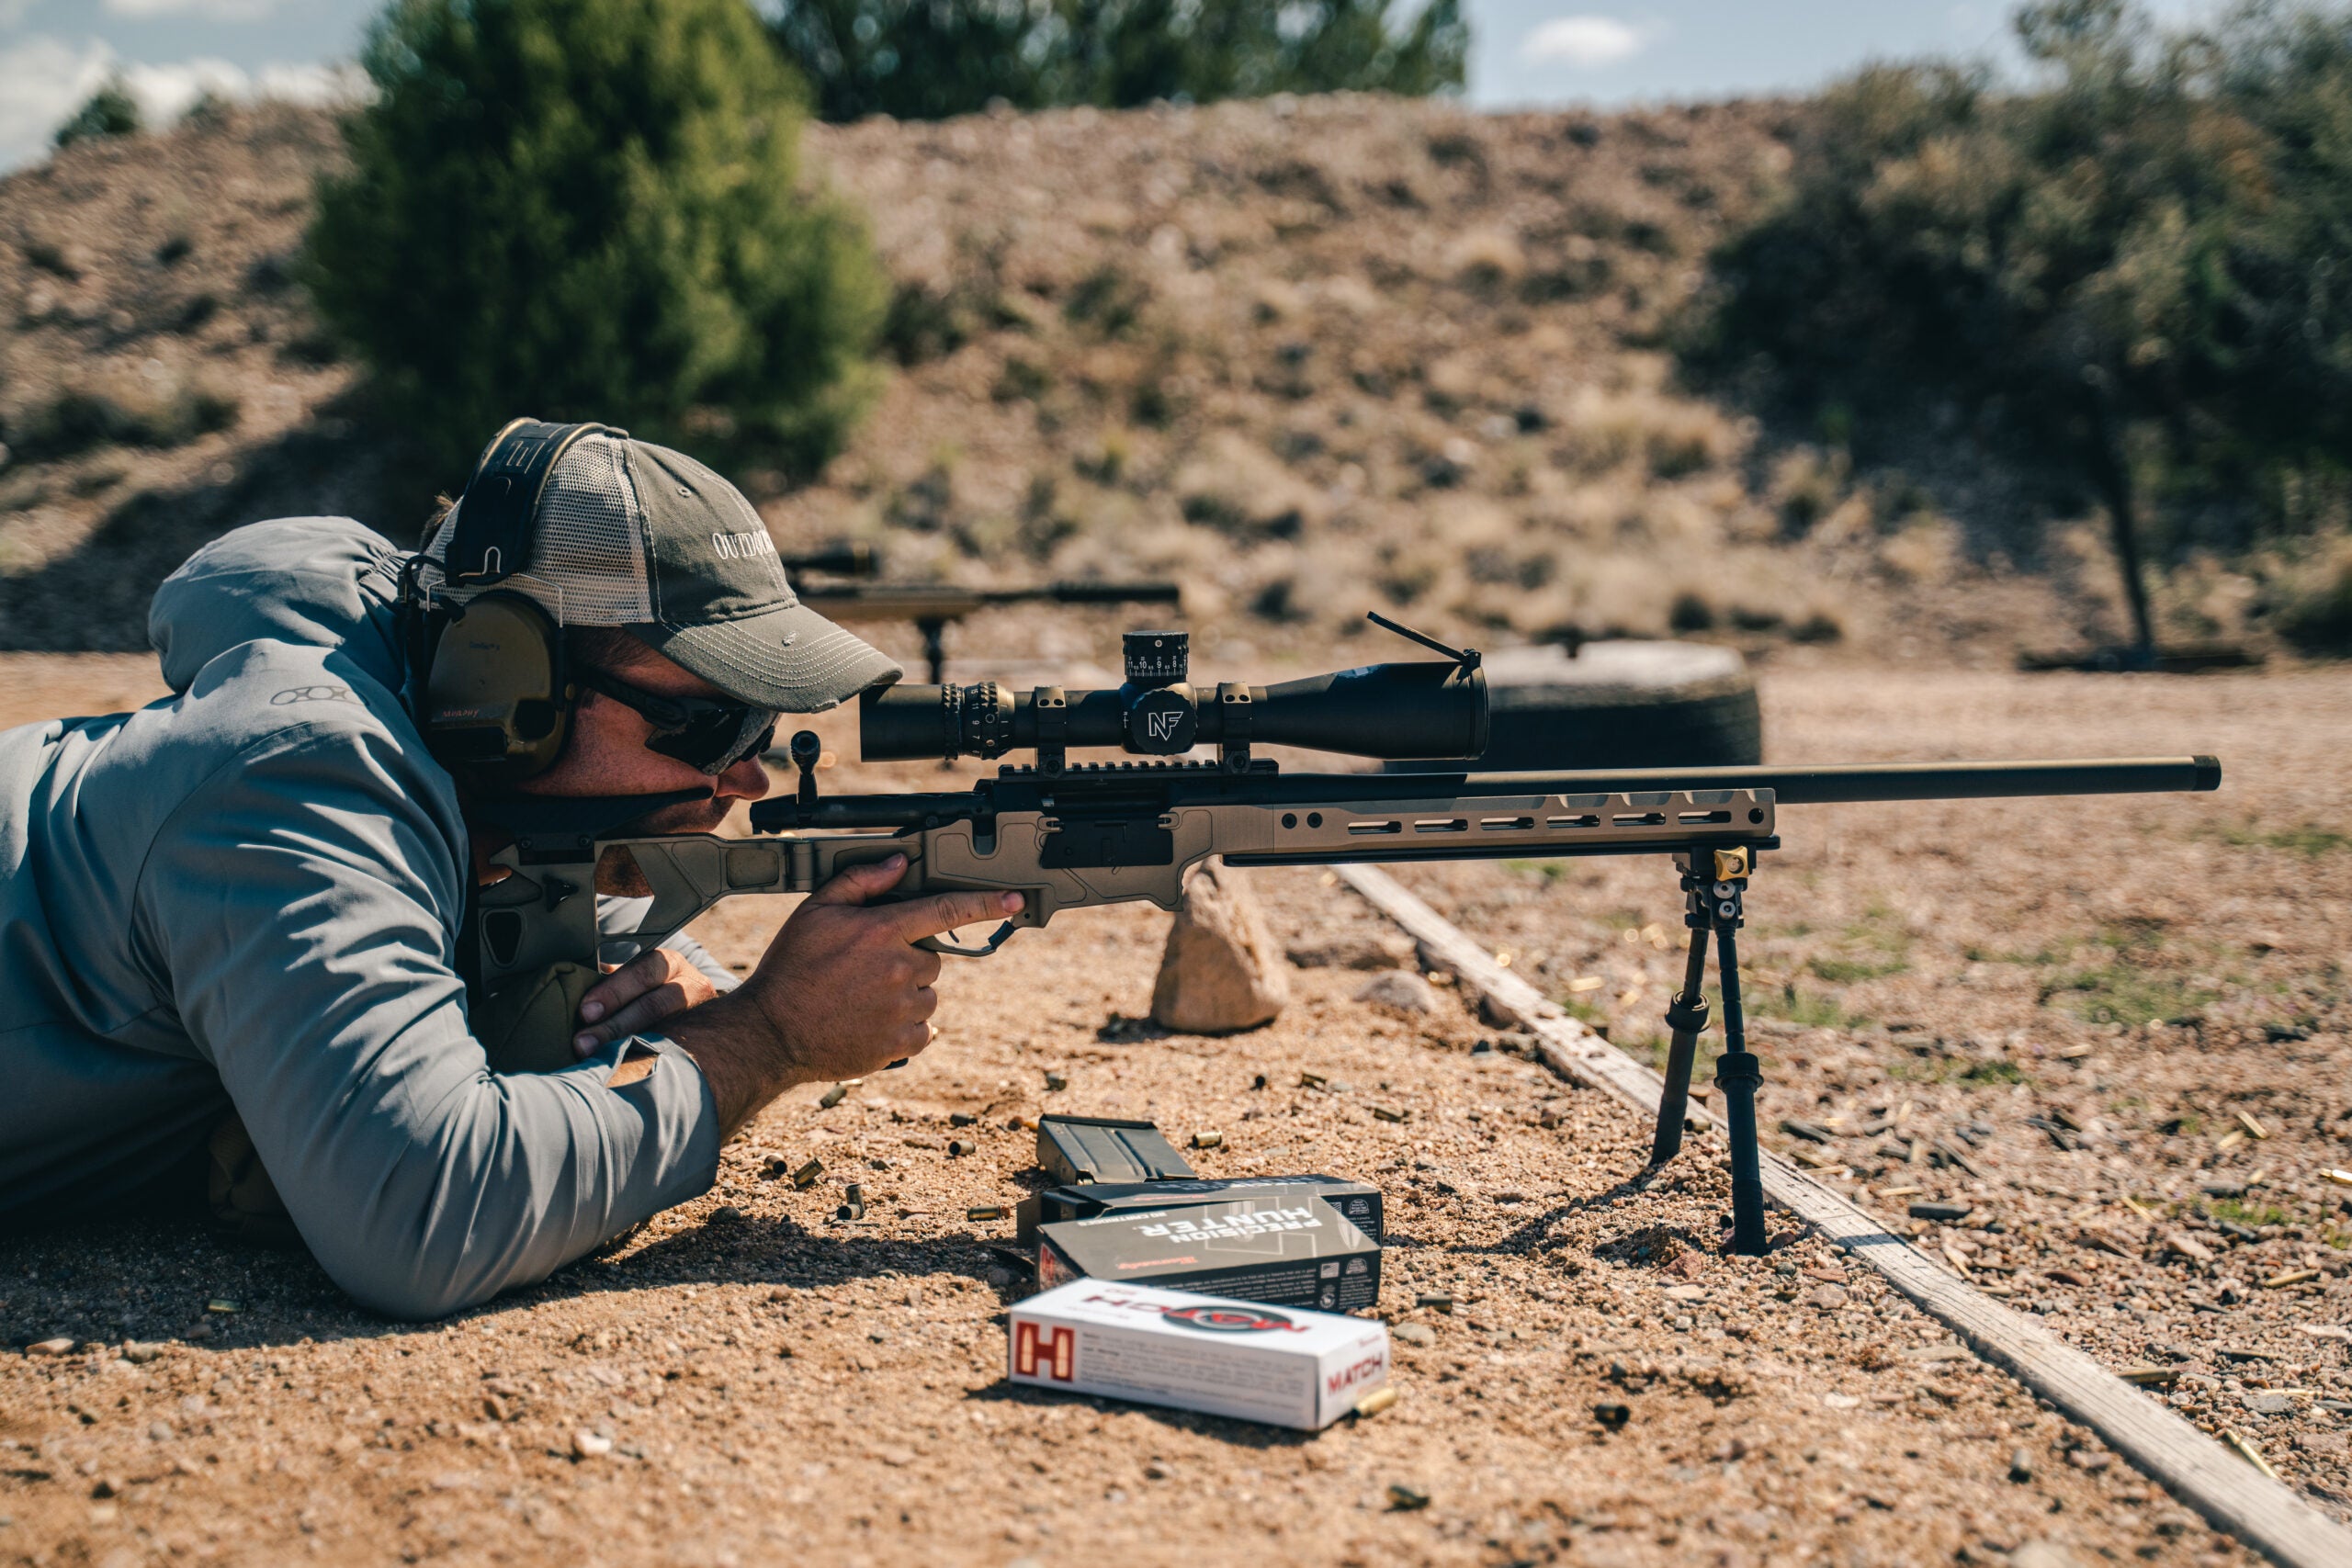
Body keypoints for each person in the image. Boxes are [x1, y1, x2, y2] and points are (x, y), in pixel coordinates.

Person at [0, 423, 1019, 1318]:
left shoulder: (422, 720)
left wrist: (670, 985)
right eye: (710, 723)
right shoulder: (302, 778)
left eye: (763, 724)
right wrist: (762, 1040)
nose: (748, 772)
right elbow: (418, 1213)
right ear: (504, 681)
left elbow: (544, 914)